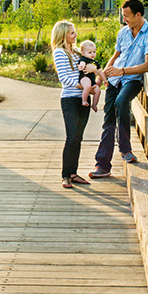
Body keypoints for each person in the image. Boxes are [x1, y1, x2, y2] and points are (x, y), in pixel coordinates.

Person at [89, 0, 148, 178]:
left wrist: (123, 71)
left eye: (127, 16)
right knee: (108, 119)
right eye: (123, 16)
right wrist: (100, 78)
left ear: (138, 15)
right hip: (114, 80)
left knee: (121, 102)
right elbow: (115, 57)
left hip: (133, 79)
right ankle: (102, 165)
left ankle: (125, 148)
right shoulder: (123, 32)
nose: (124, 20)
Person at [50, 20, 91, 189]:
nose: (75, 35)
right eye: (72, 33)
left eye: (75, 32)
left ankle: (73, 173)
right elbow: (64, 78)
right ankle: (65, 175)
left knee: (78, 138)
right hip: (70, 99)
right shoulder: (60, 53)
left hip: (83, 98)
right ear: (63, 35)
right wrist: (83, 86)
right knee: (72, 137)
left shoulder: (76, 52)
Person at [76, 39, 106, 112]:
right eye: (89, 52)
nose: (92, 54)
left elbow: (100, 72)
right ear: (83, 53)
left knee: (98, 91)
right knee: (88, 86)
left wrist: (105, 80)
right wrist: (81, 66)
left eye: (94, 52)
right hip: (84, 78)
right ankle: (84, 100)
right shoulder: (84, 59)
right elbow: (82, 63)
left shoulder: (95, 62)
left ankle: (94, 105)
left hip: (92, 80)